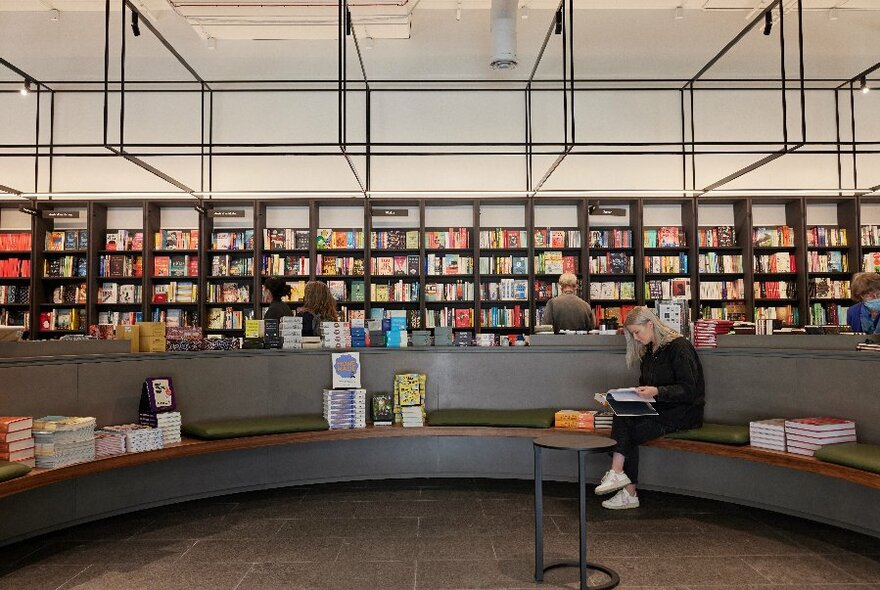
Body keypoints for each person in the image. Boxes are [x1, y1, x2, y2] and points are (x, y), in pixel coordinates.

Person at [595, 306, 705, 510]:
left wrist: (656, 391)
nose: (635, 338)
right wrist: (633, 395)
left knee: (630, 432)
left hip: (682, 413)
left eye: (637, 332)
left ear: (651, 324)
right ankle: (618, 476)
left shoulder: (679, 347)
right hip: (659, 409)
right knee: (622, 411)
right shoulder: (649, 352)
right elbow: (646, 385)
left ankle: (627, 489)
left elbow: (688, 390)